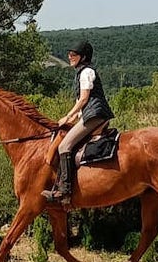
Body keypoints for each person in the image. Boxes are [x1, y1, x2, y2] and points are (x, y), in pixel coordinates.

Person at [42, 40, 115, 203]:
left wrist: (67, 116)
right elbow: (80, 105)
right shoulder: (81, 72)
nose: (70, 56)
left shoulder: (86, 72)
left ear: (83, 57)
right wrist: (70, 119)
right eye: (69, 54)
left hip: (95, 115)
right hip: (90, 114)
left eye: (73, 54)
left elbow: (83, 100)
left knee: (64, 146)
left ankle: (65, 190)